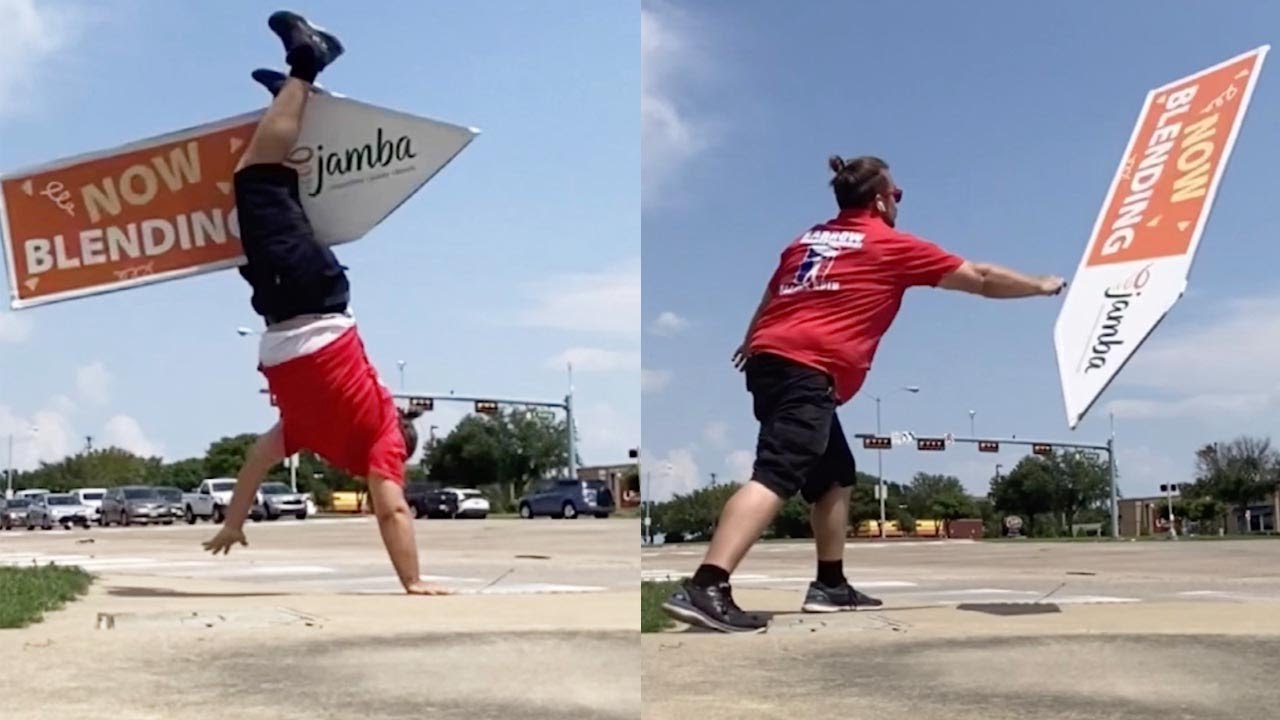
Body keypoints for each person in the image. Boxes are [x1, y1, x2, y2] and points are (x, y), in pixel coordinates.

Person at [662, 155, 1065, 632]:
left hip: (772, 361)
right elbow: (978, 277)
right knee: (777, 472)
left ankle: (830, 585)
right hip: (805, 368)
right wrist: (1041, 284)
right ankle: (707, 584)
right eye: (896, 195)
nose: (898, 203)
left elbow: (773, 297)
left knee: (836, 475)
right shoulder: (888, 244)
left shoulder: (807, 240)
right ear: (878, 200)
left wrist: (753, 340)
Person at [200, 11, 447, 596]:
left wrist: (234, 523)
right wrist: (412, 582)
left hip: (289, 302)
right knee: (257, 182)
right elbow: (393, 512)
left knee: (272, 188)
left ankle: (289, 103)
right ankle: (307, 62)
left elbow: (255, 465)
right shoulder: (378, 437)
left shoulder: (305, 432)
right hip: (306, 296)